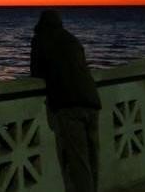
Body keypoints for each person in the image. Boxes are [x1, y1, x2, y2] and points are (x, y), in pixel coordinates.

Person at [31, 10, 101, 192]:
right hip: (91, 101)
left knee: (77, 163)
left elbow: (36, 73)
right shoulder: (72, 40)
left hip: (68, 105)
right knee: (92, 159)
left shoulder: (41, 39)